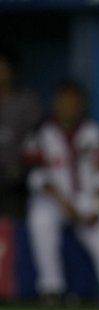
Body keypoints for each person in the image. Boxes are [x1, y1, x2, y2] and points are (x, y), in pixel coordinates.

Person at [26, 81, 99, 308]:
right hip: (55, 200)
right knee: (40, 219)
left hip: (88, 200)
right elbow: (36, 176)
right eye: (63, 102)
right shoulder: (42, 132)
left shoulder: (94, 131)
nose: (68, 107)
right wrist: (65, 203)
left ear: (82, 105)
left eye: (73, 102)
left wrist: (98, 207)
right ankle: (51, 289)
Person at [0, 46, 43, 219]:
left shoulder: (27, 101)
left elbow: (38, 138)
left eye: (3, 68)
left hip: (16, 178)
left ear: (13, 70)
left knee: (9, 226)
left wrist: (22, 167)